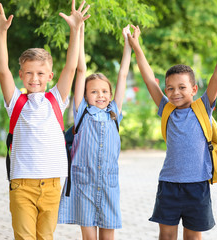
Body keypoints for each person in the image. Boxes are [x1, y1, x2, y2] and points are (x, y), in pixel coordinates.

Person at [127, 16, 217, 240]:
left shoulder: (203, 107)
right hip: (169, 185)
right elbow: (149, 79)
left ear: (194, 89)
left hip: (197, 186)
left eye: (182, 87)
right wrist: (137, 47)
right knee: (167, 236)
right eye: (170, 88)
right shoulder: (166, 109)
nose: (175, 92)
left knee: (192, 237)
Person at [0, 1, 90, 239]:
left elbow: (71, 66)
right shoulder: (16, 102)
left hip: (52, 183)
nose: (34, 78)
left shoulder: (56, 99)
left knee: (45, 237)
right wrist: (1, 34)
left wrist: (75, 30)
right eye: (28, 72)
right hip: (21, 185)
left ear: (49, 75)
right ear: (21, 75)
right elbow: (2, 69)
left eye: (40, 73)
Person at [57, 21, 131, 240]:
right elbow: (81, 70)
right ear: (86, 96)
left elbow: (123, 75)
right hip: (84, 186)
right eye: (94, 92)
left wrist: (128, 44)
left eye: (104, 91)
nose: (101, 95)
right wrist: (79, 30)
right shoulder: (82, 113)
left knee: (108, 237)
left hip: (108, 185)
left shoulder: (114, 113)